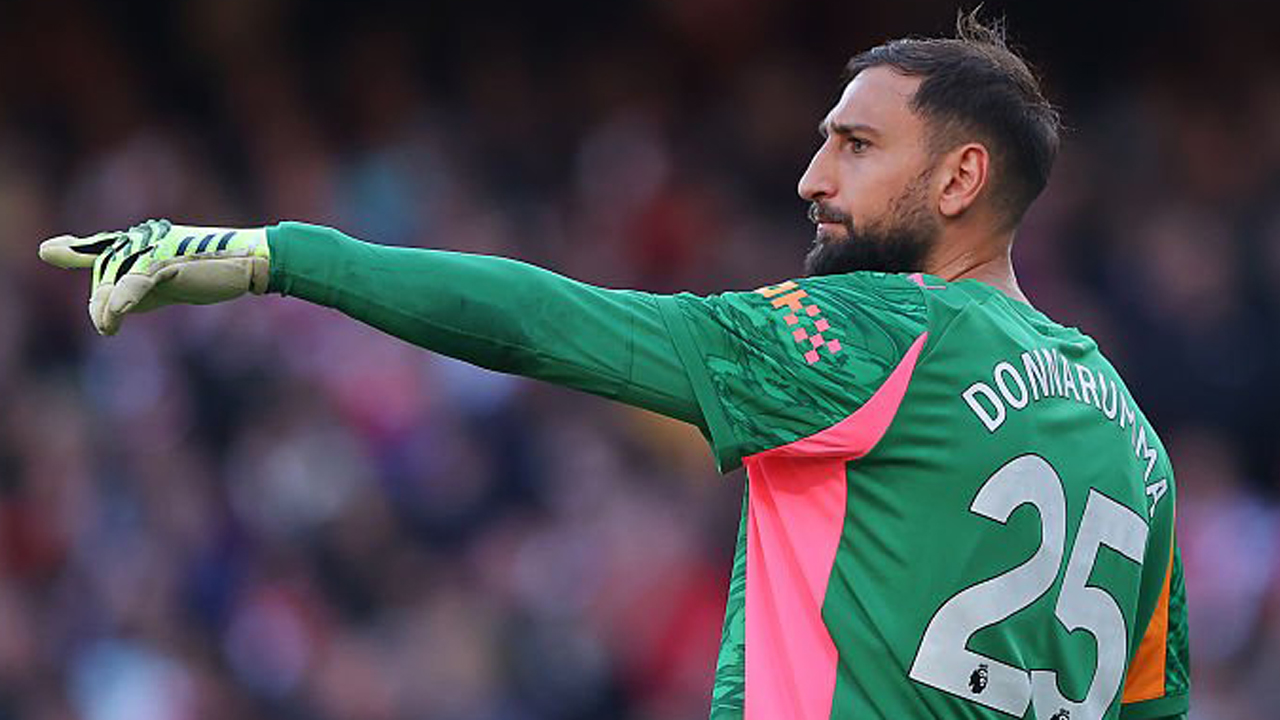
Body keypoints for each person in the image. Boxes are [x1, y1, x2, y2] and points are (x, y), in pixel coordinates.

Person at [38, 11, 1188, 720]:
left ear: (957, 181)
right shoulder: (1136, 450)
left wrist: (276, 255)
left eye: (854, 144)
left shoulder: (889, 333)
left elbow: (555, 323)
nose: (810, 176)